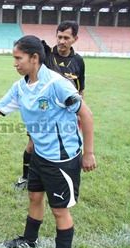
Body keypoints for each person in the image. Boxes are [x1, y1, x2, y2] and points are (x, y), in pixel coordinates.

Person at [0, 35, 96, 248]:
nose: (14, 63)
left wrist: (88, 153)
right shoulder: (20, 87)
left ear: (34, 58)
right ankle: (30, 239)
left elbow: (86, 115)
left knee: (59, 211)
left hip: (62, 159)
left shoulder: (57, 84)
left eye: (18, 58)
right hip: (40, 155)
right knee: (34, 197)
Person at [15, 20, 86, 191]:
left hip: (66, 114)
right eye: (59, 37)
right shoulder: (46, 55)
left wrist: (78, 112)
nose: (61, 41)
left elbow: (80, 88)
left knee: (66, 146)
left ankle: (62, 177)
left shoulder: (78, 61)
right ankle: (26, 177)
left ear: (75, 39)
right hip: (43, 112)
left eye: (66, 38)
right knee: (32, 145)